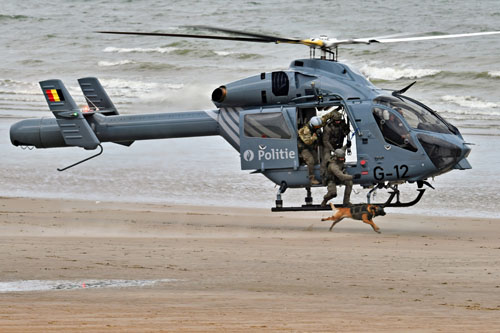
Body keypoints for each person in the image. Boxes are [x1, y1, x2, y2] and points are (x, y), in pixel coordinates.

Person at [297, 107, 341, 185]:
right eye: (317, 127)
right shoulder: (305, 130)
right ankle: (311, 178)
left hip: (311, 146)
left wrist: (334, 112)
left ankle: (319, 175)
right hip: (304, 147)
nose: (318, 127)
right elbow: (307, 141)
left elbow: (325, 117)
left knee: (317, 161)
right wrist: (314, 137)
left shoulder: (317, 122)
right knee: (310, 161)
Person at [320, 109, 349, 182]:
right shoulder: (328, 127)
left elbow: (346, 131)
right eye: (336, 121)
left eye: (339, 121)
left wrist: (346, 132)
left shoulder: (342, 124)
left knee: (341, 157)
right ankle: (324, 176)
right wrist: (333, 150)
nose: (338, 122)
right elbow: (325, 141)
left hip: (338, 144)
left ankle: (340, 173)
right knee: (326, 159)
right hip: (329, 145)